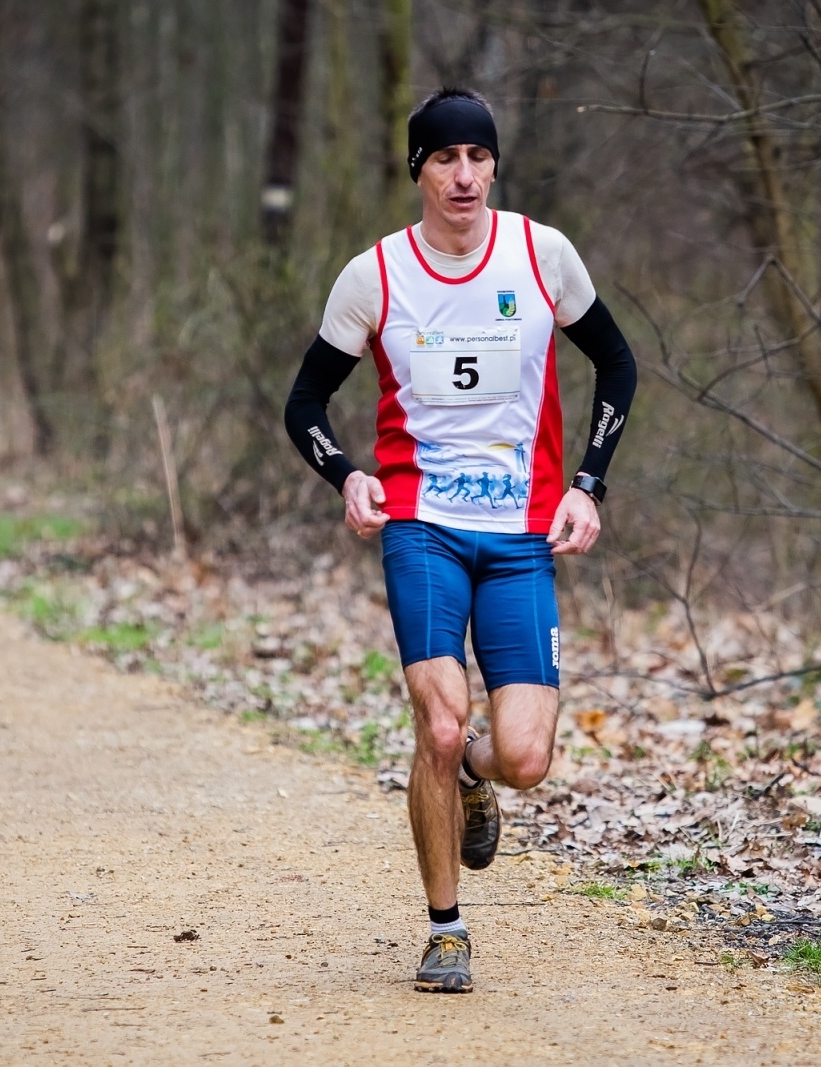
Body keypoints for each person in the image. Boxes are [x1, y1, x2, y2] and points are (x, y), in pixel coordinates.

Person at [284, 87, 636, 994]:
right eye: (445, 159)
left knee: (523, 755)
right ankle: (446, 928)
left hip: (521, 535)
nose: (465, 175)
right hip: (422, 528)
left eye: (478, 158)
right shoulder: (376, 276)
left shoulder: (541, 254)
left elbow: (618, 363)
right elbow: (304, 403)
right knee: (439, 722)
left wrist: (587, 484)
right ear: (419, 172)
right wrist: (348, 476)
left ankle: (477, 778)